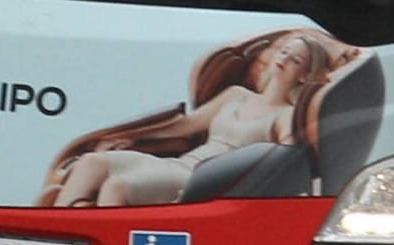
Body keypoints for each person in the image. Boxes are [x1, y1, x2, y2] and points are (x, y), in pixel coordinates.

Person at [47, 34, 357, 207]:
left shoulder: (285, 116)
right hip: (178, 163)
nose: (284, 58)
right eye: (285, 51)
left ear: (304, 74)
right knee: (91, 162)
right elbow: (186, 125)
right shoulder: (236, 95)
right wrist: (136, 136)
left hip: (201, 180)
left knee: (117, 187)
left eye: (296, 59)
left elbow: (288, 160)